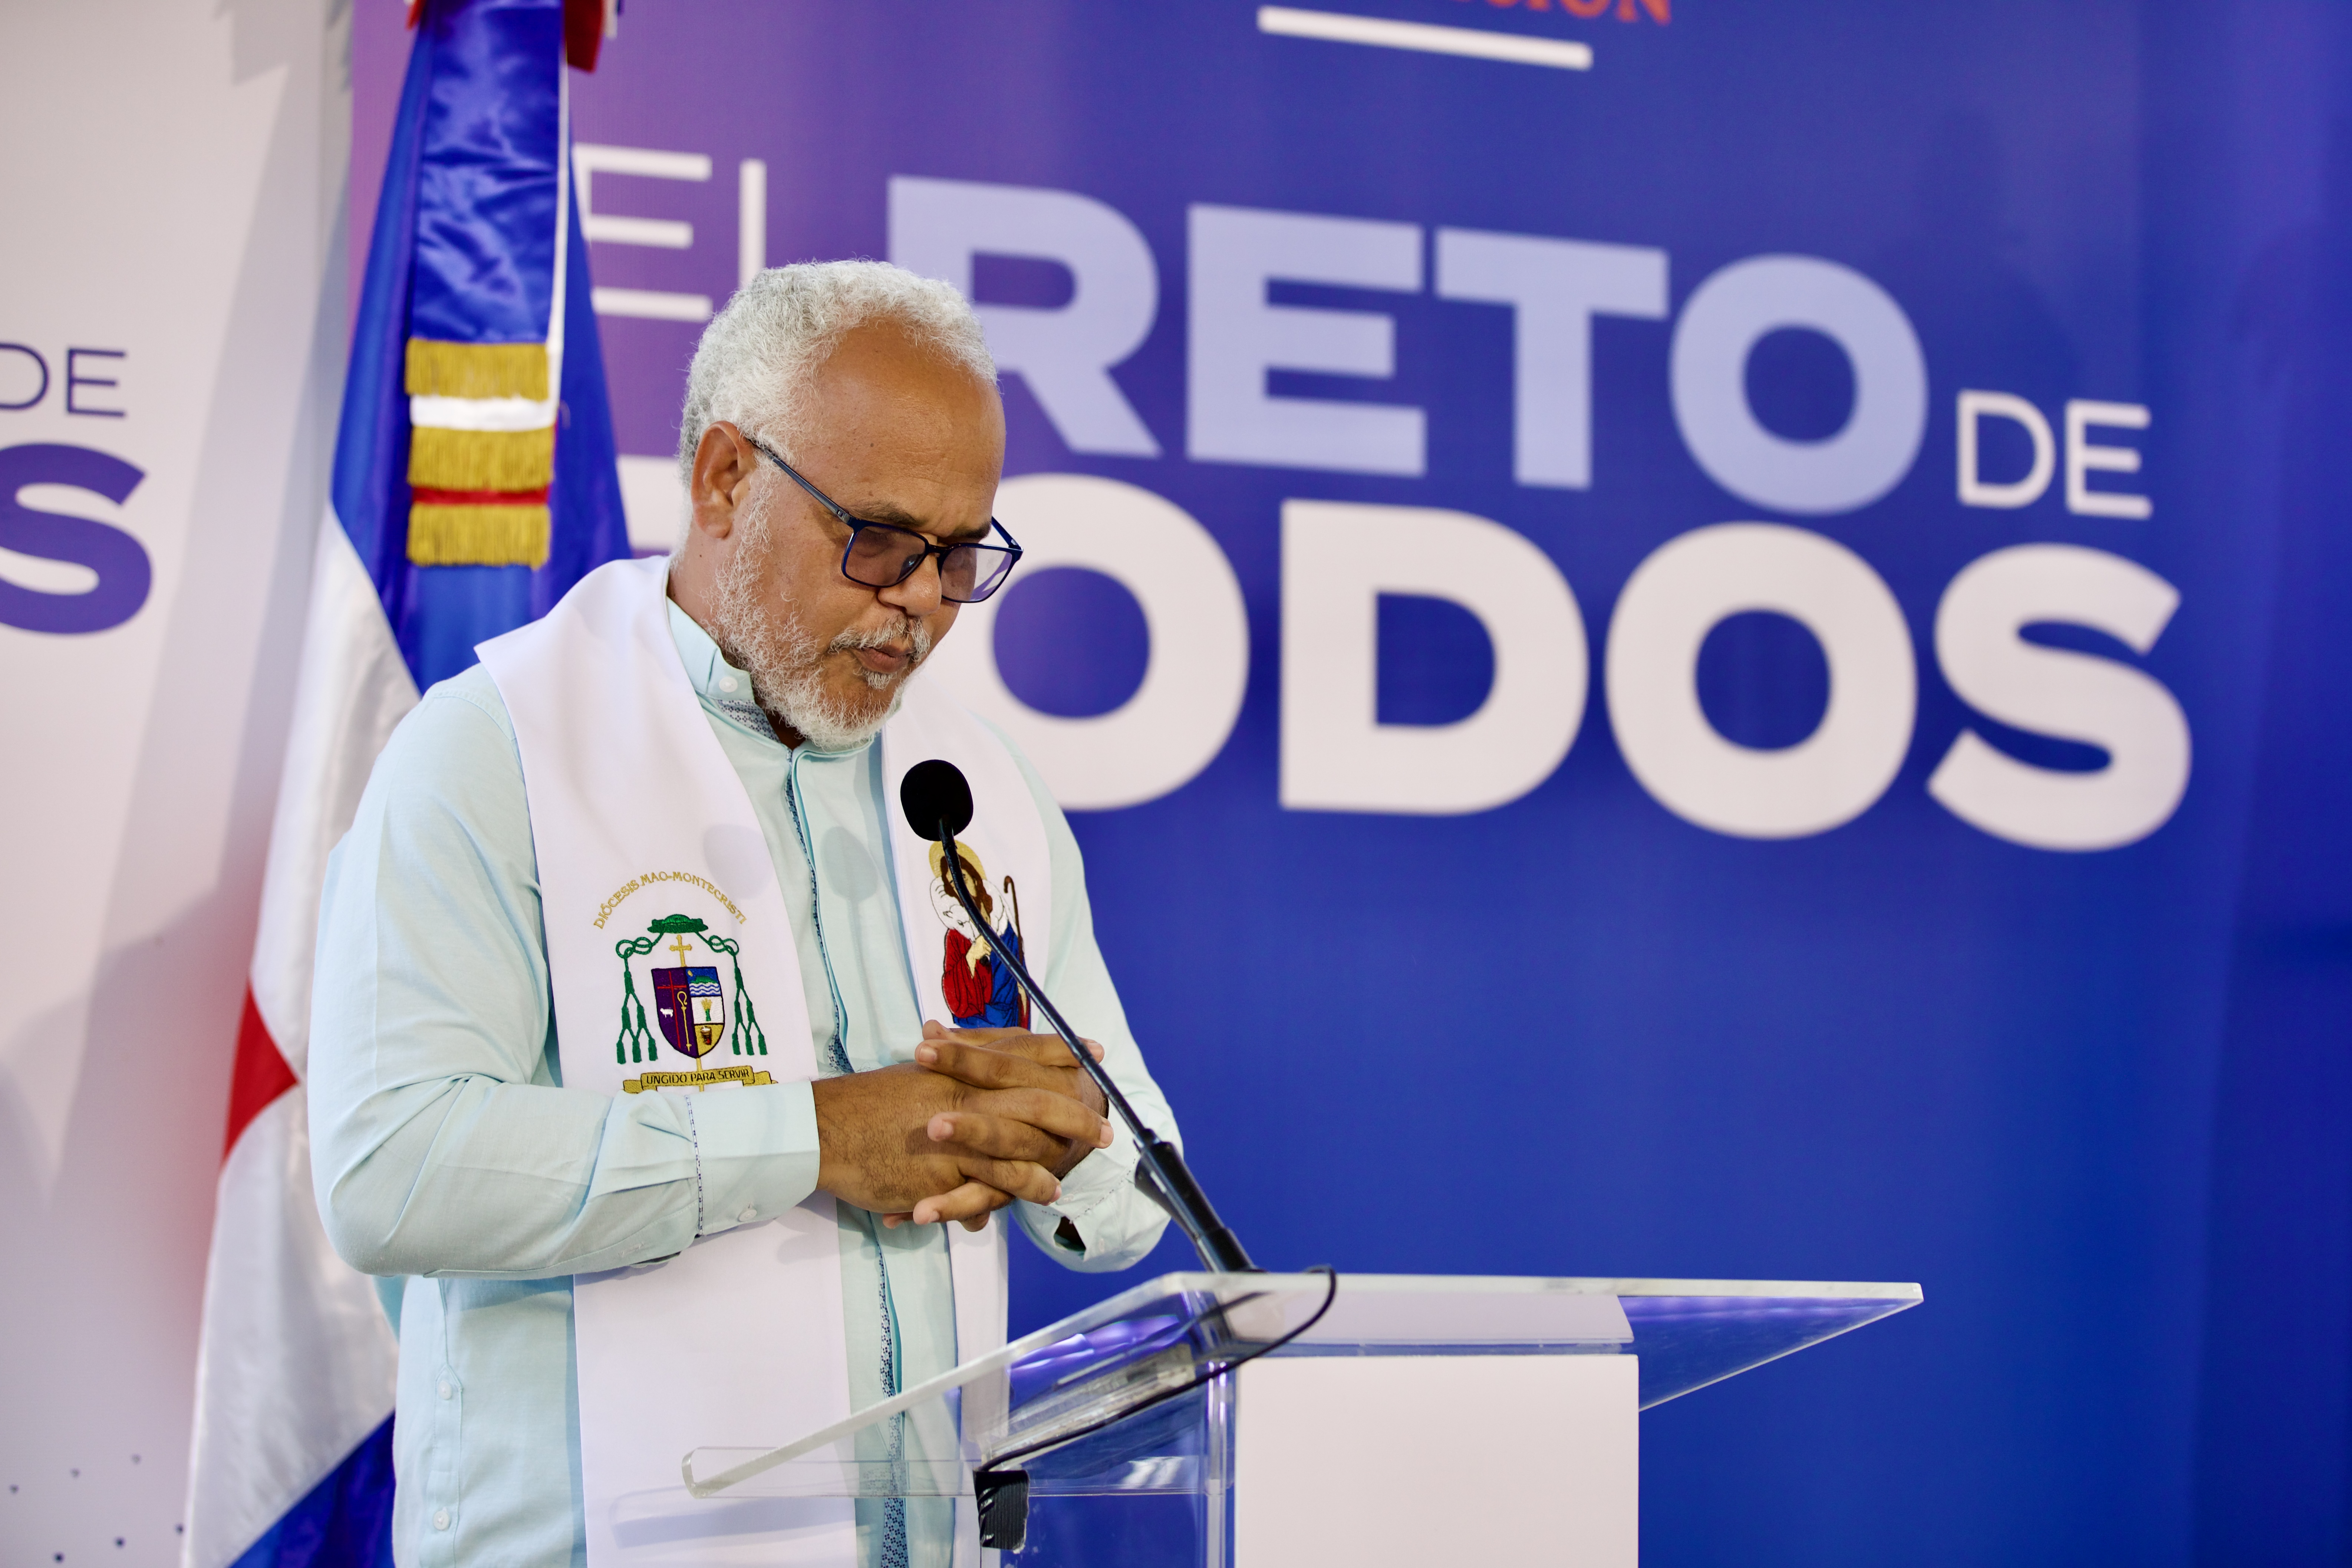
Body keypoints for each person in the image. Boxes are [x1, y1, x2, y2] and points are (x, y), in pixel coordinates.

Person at [307, 261, 1180, 1568]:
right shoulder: (496, 752)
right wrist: (812, 1137)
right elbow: (392, 1170)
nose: (923, 600)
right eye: (880, 540)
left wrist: (1065, 1135)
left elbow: (1132, 1202)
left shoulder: (981, 791)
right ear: (725, 479)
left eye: (960, 556)